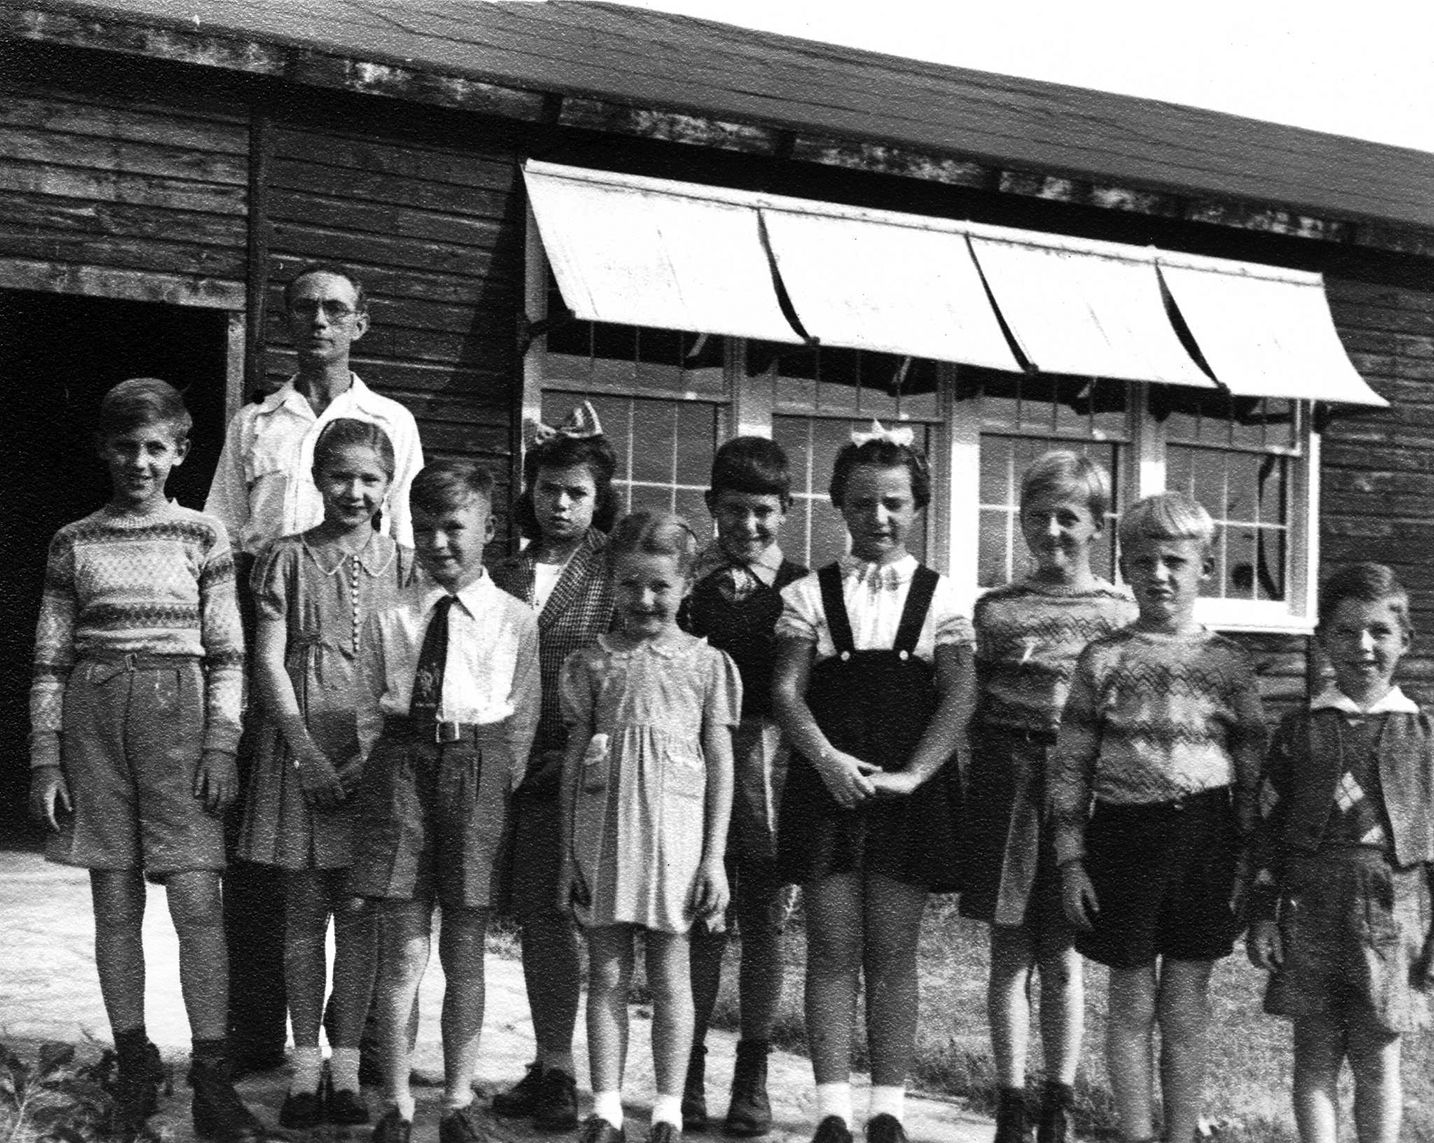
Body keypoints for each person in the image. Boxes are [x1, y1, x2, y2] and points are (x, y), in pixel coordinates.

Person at [28, 378, 263, 1142]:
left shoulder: (204, 536)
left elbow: (229, 651)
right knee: (114, 902)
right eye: (125, 447)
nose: (139, 461)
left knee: (198, 901)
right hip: (95, 720)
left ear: (181, 451)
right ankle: (134, 1057)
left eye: (155, 447)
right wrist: (45, 755)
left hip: (181, 720)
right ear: (104, 449)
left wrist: (222, 742)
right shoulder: (75, 540)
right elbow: (50, 658)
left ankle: (215, 1076)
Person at [204, 262, 424, 1074]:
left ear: (361, 321)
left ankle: (355, 1046)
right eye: (305, 309)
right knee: (270, 876)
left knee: (363, 887)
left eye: (336, 309)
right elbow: (224, 535)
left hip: (367, 677)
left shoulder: (390, 420)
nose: (320, 321)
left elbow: (407, 543)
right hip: (279, 661)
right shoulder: (257, 422)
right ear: (287, 321)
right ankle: (266, 1036)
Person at [772, 424, 974, 1143]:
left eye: (894, 502)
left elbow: (958, 696)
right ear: (839, 507)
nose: (878, 517)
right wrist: (827, 759)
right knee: (831, 949)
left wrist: (916, 773)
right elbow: (788, 693)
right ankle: (831, 1106)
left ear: (918, 506)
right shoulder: (809, 594)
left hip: (904, 796)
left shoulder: (944, 598)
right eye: (862, 503)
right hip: (828, 787)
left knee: (892, 953)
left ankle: (887, 1105)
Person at [1049, 492, 1267, 1143]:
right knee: (1131, 996)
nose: (1159, 574)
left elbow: (1253, 772)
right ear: (1123, 566)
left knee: (1186, 1002)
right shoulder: (1103, 659)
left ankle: (1180, 1132)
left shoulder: (1228, 663)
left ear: (1205, 565)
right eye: (1143, 561)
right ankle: (1136, 1132)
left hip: (1207, 838)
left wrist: (1248, 864)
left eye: (1175, 559)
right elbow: (1071, 768)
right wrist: (1070, 859)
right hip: (1122, 837)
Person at [347, 459, 539, 1143]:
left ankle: (457, 1099)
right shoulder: (389, 614)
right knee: (401, 950)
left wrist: (488, 780)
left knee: (465, 946)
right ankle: (396, 1101)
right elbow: (370, 707)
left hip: (477, 766)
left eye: (454, 527)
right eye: (424, 529)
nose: (438, 543)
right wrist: (391, 764)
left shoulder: (515, 619)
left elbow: (521, 719)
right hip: (402, 766)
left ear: (488, 527)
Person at [236, 419, 416, 1128]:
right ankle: (303, 1067)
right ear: (316, 477)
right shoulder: (285, 558)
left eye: (370, 478)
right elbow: (268, 660)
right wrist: (307, 753)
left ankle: (348, 1065)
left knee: (363, 913)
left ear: (387, 485)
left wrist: (366, 757)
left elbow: (404, 670)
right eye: (341, 474)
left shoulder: (402, 564)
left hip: (374, 751)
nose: (355, 489)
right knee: (305, 916)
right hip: (300, 748)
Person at [959, 452, 1135, 1143]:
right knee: (1009, 954)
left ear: (1097, 525)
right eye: (1040, 516)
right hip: (1009, 779)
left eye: (1070, 517)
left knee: (1062, 953)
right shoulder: (997, 608)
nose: (1053, 531)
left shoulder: (1118, 610)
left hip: (1082, 787)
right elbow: (972, 708)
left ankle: (1057, 1102)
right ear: (1021, 520)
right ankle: (1009, 1100)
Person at [559, 511, 739, 1143]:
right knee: (605, 974)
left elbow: (722, 761)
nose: (645, 599)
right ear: (612, 585)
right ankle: (605, 1107)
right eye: (632, 584)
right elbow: (576, 758)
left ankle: (666, 1109)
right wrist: (567, 854)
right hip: (603, 834)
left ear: (686, 586)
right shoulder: (594, 663)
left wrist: (714, 857)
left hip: (678, 842)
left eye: (660, 586)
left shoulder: (705, 665)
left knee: (671, 976)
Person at [1247, 563, 1434, 1143]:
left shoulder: (1423, 735)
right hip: (1311, 908)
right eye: (1348, 631)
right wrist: (1261, 913)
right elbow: (1268, 827)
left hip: (1393, 911)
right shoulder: (1299, 730)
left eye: (1379, 631)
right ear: (1324, 638)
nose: (1363, 646)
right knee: (1315, 1059)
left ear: (1405, 640)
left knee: (1379, 1060)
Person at [490, 403, 618, 1131]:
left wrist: (568, 751)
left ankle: (567, 1073)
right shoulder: (503, 568)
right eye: (548, 489)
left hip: (580, 766)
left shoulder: (611, 569)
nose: (560, 503)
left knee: (564, 917)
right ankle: (547, 1056)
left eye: (576, 492)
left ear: (599, 500)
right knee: (524, 915)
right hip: (503, 761)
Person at [679, 436, 808, 1136]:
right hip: (694, 761)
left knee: (762, 922)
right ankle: (688, 1065)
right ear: (712, 508)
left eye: (762, 511)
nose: (747, 526)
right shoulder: (686, 585)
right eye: (733, 510)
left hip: (768, 764)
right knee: (701, 916)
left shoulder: (802, 586)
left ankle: (751, 1072)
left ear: (786, 509)